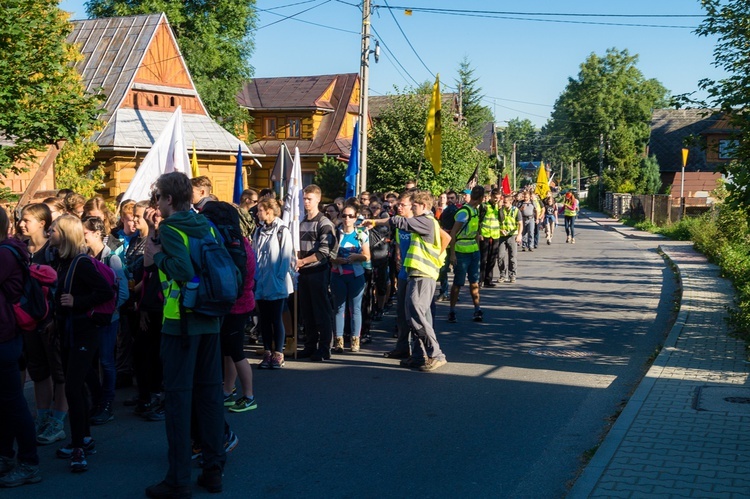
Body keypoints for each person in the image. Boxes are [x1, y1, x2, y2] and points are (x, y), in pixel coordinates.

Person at [144, 172, 226, 497]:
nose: (156, 203)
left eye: (158, 197)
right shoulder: (205, 224)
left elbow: (183, 270)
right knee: (209, 397)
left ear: (168, 199)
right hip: (210, 319)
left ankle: (178, 480)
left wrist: (159, 256)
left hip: (181, 325)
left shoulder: (170, 227)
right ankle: (213, 470)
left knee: (178, 400)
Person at [50, 215, 116, 472]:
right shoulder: (63, 262)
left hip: (84, 333)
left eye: (54, 229)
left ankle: (78, 447)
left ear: (65, 234)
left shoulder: (81, 263)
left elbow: (106, 292)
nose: (50, 232)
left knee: (73, 388)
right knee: (78, 383)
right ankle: (84, 437)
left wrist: (77, 302)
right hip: (69, 332)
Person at [364, 190, 450, 372]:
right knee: (412, 315)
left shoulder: (426, 221)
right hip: (414, 272)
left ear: (423, 207)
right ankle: (418, 356)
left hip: (423, 273)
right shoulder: (422, 222)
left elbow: (397, 220)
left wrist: (376, 221)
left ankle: (436, 354)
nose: (399, 208)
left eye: (413, 205)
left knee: (417, 314)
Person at [17, 204, 68, 446]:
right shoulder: (20, 249)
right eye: (21, 220)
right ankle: (43, 416)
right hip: (28, 322)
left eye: (27, 220)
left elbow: (63, 288)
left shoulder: (53, 249)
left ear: (42, 223)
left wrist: (57, 319)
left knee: (59, 372)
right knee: (38, 372)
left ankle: (58, 422)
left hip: (51, 321)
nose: (21, 224)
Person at [0, 207, 42, 487]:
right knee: (5, 403)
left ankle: (29, 463)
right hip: (6, 335)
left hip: (4, 337)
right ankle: (6, 455)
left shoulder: (4, 253)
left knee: (13, 403)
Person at [81, 216, 129, 426]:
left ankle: (107, 402)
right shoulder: (84, 257)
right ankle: (97, 399)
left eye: (84, 234)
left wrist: (109, 310)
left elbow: (124, 291)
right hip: (90, 318)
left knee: (106, 360)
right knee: (90, 360)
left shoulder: (111, 259)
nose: (82, 238)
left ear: (96, 233)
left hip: (109, 318)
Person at [296, 185, 336, 362]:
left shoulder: (324, 223)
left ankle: (325, 347)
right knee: (307, 311)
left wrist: (303, 261)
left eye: (309, 199)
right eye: (304, 198)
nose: (306, 202)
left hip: (318, 272)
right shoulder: (301, 222)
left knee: (321, 311)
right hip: (303, 273)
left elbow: (324, 252)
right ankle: (310, 345)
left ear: (318, 200)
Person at [253, 198, 293, 369]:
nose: (257, 213)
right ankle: (267, 351)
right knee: (264, 318)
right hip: (261, 282)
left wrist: (277, 278)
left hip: (276, 283)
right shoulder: (258, 231)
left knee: (276, 318)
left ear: (268, 211)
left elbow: (285, 257)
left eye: (260, 210)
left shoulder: (282, 230)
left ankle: (279, 353)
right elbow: (255, 255)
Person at [331, 203, 370, 353]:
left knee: (355, 309)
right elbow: (328, 255)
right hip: (338, 275)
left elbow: (367, 256)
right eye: (344, 215)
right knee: (339, 308)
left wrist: (357, 257)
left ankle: (355, 340)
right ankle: (338, 341)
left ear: (356, 218)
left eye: (351, 216)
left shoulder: (361, 234)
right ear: (340, 217)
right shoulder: (334, 234)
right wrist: (335, 260)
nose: (347, 219)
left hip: (356, 276)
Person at [383, 191, 414, 359]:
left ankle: (419, 351)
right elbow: (399, 244)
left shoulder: (420, 223)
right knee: (401, 313)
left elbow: (445, 238)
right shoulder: (400, 224)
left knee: (415, 315)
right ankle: (402, 347)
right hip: (403, 272)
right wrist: (397, 255)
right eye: (398, 204)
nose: (398, 207)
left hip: (418, 274)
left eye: (403, 205)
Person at [448, 186, 485, 323]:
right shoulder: (464, 212)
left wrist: (477, 250)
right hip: (461, 252)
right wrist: (452, 254)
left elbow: (475, 232)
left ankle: (477, 309)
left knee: (474, 282)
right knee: (458, 283)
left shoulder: (475, 210)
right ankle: (452, 311)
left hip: (473, 252)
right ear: (481, 198)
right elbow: (453, 233)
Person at [437, 190, 459, 300]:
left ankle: (455, 293)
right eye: (448, 198)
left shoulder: (458, 212)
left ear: (456, 199)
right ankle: (444, 291)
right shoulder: (442, 212)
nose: (450, 200)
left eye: (452, 198)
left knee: (457, 270)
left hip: (456, 245)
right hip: (444, 244)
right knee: (443, 269)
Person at [497, 195, 523, 283]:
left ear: (510, 202)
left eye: (505, 202)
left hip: (512, 235)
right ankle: (502, 275)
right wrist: (500, 230)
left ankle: (512, 275)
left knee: (512, 257)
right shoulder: (500, 210)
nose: (504, 204)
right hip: (502, 236)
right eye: (503, 202)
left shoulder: (516, 211)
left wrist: (519, 235)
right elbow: (497, 222)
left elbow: (520, 224)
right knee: (500, 256)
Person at [479, 188, 502, 287]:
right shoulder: (484, 206)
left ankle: (488, 280)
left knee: (492, 258)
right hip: (485, 234)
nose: (496, 199)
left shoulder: (498, 207)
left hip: (495, 234)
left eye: (498, 198)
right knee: (483, 259)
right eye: (495, 197)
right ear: (491, 196)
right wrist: (479, 233)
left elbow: (501, 219)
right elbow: (479, 220)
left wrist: (500, 208)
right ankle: (480, 280)